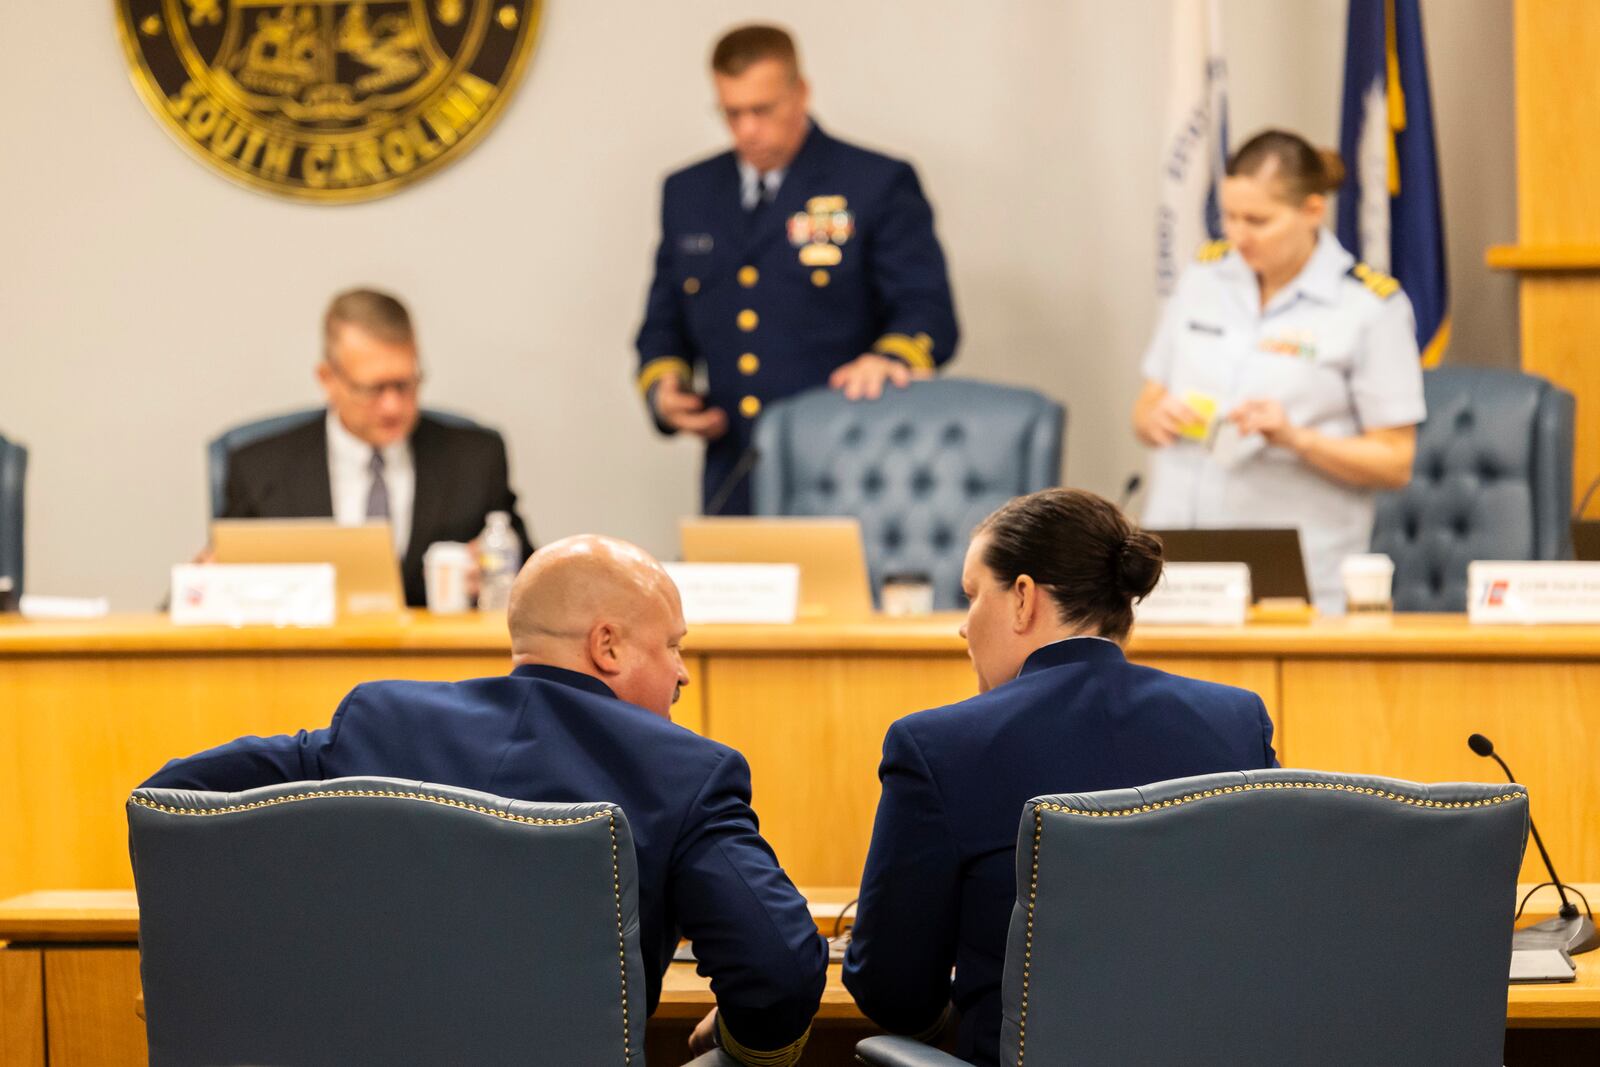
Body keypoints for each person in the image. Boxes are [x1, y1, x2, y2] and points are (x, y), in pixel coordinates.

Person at [142, 534, 826, 1066]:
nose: (681, 672)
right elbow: (784, 969)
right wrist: (739, 1043)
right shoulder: (686, 772)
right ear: (607, 645)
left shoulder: (380, 719)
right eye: (673, 645)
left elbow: (174, 797)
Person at [842, 489, 1278, 1065]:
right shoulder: (1236, 722)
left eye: (972, 596)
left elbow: (891, 989)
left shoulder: (936, 746)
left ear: (1023, 599)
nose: (962, 629)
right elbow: (1273, 930)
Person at [635, 24, 960, 515]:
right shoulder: (688, 192)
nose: (747, 129)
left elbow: (928, 312)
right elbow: (663, 325)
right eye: (731, 112)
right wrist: (666, 390)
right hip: (734, 476)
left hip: (848, 468)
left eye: (762, 110)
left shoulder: (875, 182)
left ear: (800, 93)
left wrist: (889, 359)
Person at [1132, 129, 1425, 614]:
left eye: (1258, 220)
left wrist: (1296, 438)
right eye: (1229, 216)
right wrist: (1155, 418)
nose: (1238, 235)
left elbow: (1395, 460)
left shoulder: (1370, 307)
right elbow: (1144, 405)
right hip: (1174, 565)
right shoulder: (1202, 278)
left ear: (1313, 211)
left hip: (1293, 573)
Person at [221, 288, 532, 607]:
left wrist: (498, 574)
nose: (392, 407)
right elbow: (212, 588)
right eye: (373, 389)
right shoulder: (259, 469)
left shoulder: (476, 460)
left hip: (437, 652)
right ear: (327, 379)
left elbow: (531, 577)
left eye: (404, 385)